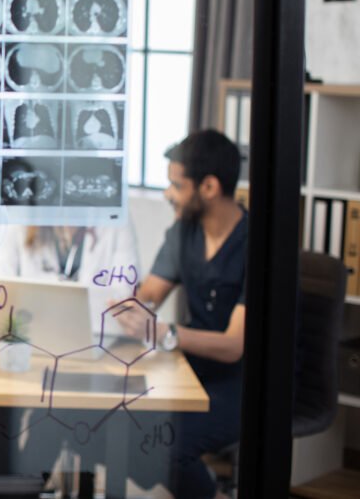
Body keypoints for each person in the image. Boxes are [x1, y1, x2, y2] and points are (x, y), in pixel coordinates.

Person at [115, 129, 246, 499]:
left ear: (209, 187)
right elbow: (148, 297)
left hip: (245, 383)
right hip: (195, 371)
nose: (167, 194)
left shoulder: (256, 245)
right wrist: (115, 303)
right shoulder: (184, 233)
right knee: (121, 423)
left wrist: (164, 332)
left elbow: (234, 346)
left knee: (165, 443)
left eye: (176, 185)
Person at [0, 225, 141, 497]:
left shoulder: (114, 223)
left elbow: (123, 298)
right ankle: (7, 493)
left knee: (53, 409)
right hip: (29, 351)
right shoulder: (22, 221)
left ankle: (17, 495)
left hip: (91, 355)